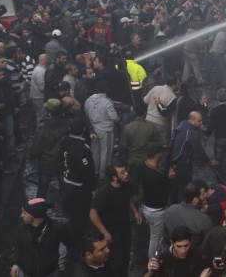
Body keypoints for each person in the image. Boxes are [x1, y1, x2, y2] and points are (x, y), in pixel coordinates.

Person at [89, 162, 142, 275]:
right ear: (114, 177)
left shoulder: (126, 185)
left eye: (125, 171)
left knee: (126, 257)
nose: (126, 174)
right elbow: (93, 214)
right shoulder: (104, 193)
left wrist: (135, 212)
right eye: (122, 173)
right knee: (116, 261)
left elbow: (128, 199)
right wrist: (105, 232)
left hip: (126, 229)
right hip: (112, 233)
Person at [61, 119, 96, 258]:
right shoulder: (81, 148)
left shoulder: (65, 142)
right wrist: (92, 187)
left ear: (69, 129)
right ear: (84, 130)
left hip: (67, 180)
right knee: (80, 214)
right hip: (78, 185)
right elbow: (85, 170)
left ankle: (73, 234)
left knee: (73, 209)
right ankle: (76, 243)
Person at [10, 198, 68, 277]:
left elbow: (71, 245)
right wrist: (15, 264)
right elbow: (18, 246)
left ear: (34, 216)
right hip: (28, 274)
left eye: (25, 213)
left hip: (50, 273)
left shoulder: (57, 228)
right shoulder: (22, 228)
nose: (21, 215)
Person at [170, 111, 218, 203]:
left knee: (175, 188)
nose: (201, 123)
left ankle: (172, 206)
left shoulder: (181, 125)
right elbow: (199, 152)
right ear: (192, 121)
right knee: (184, 189)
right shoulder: (191, 133)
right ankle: (183, 209)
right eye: (199, 121)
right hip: (183, 165)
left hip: (174, 163)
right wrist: (208, 161)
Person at [30, 99, 70, 202]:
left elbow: (37, 148)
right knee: (65, 190)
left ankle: (38, 212)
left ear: (49, 112)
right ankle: (67, 214)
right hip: (64, 161)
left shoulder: (43, 127)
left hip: (46, 163)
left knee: (42, 189)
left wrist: (33, 156)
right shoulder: (68, 123)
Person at [140, 142, 175, 260]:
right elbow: (162, 196)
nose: (162, 154)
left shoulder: (143, 165)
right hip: (156, 211)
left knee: (155, 236)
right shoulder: (153, 175)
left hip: (147, 205)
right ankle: (153, 262)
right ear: (157, 155)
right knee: (156, 239)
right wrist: (170, 180)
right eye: (160, 152)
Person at [120, 104, 162, 199]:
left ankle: (136, 199)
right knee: (147, 181)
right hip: (147, 160)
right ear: (145, 114)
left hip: (133, 160)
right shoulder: (150, 128)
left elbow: (123, 145)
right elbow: (159, 143)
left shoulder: (128, 128)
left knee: (134, 181)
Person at [84, 80, 120, 180]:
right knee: (106, 152)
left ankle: (95, 172)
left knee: (95, 152)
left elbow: (87, 114)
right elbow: (114, 117)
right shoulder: (107, 101)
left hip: (93, 130)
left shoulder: (88, 100)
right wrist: (119, 121)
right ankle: (103, 176)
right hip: (106, 130)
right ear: (107, 89)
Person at [163, 181, 214, 248]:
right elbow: (209, 245)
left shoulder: (170, 210)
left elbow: (165, 237)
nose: (205, 195)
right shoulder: (204, 220)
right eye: (203, 194)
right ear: (195, 199)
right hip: (195, 256)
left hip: (173, 253)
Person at [145, 225, 211, 277]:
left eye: (186, 245)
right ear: (172, 243)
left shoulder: (196, 254)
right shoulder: (162, 259)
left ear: (190, 243)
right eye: (179, 246)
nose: (183, 250)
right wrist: (149, 273)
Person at [143, 77, 179, 162]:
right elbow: (169, 115)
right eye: (178, 84)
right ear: (174, 85)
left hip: (148, 121)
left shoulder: (156, 88)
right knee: (161, 148)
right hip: (161, 125)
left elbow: (145, 100)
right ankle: (161, 168)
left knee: (149, 146)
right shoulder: (173, 97)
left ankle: (148, 165)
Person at [30, 54, 48, 123]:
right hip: (39, 97)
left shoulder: (38, 68)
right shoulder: (40, 71)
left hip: (36, 97)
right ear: (46, 60)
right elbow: (42, 87)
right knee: (41, 117)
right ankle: (39, 132)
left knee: (38, 115)